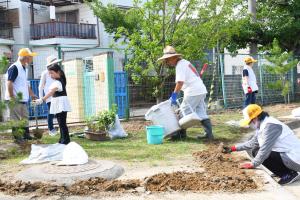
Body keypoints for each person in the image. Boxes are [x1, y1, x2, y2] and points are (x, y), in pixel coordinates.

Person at [222, 104, 300, 185]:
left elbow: (265, 149)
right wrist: (232, 148)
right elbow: (252, 143)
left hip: (295, 158)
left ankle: (288, 174)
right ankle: (282, 171)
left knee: (259, 152)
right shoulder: (263, 125)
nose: (249, 125)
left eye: (249, 122)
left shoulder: (271, 126)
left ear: (255, 118)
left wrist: (253, 164)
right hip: (287, 155)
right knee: (255, 150)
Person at [157, 46, 213, 140]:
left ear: (174, 58)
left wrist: (174, 96)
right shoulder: (185, 62)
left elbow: (180, 82)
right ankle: (209, 135)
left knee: (183, 112)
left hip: (193, 91)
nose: (167, 62)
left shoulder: (180, 65)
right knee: (201, 113)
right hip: (200, 90)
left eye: (167, 60)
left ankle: (179, 136)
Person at [5, 48, 38, 143]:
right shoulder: (15, 67)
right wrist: (12, 97)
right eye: (31, 56)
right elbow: (9, 83)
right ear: (26, 57)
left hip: (23, 99)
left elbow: (25, 84)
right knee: (15, 119)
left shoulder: (24, 68)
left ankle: (25, 134)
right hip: (14, 98)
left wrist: (32, 94)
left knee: (25, 117)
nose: (32, 58)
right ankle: (17, 138)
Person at [34, 64, 71, 144]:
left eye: (52, 73)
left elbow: (51, 92)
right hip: (59, 104)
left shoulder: (58, 82)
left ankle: (66, 140)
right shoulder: (59, 80)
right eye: (49, 73)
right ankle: (62, 139)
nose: (50, 75)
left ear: (58, 72)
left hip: (61, 104)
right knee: (61, 123)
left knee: (62, 123)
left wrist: (42, 99)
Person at [38, 55, 62, 136]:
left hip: (58, 94)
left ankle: (60, 128)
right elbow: (41, 86)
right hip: (49, 96)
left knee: (59, 112)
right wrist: (41, 98)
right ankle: (51, 129)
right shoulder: (45, 73)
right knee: (51, 112)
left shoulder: (58, 71)